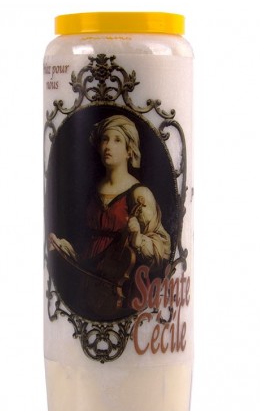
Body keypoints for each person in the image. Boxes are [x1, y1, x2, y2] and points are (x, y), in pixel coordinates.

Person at [49, 115, 171, 317]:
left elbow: (163, 250)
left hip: (121, 286)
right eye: (105, 139)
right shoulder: (92, 191)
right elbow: (87, 248)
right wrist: (62, 248)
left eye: (117, 140)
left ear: (129, 150)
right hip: (88, 281)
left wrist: (138, 238)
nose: (108, 146)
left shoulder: (139, 195)